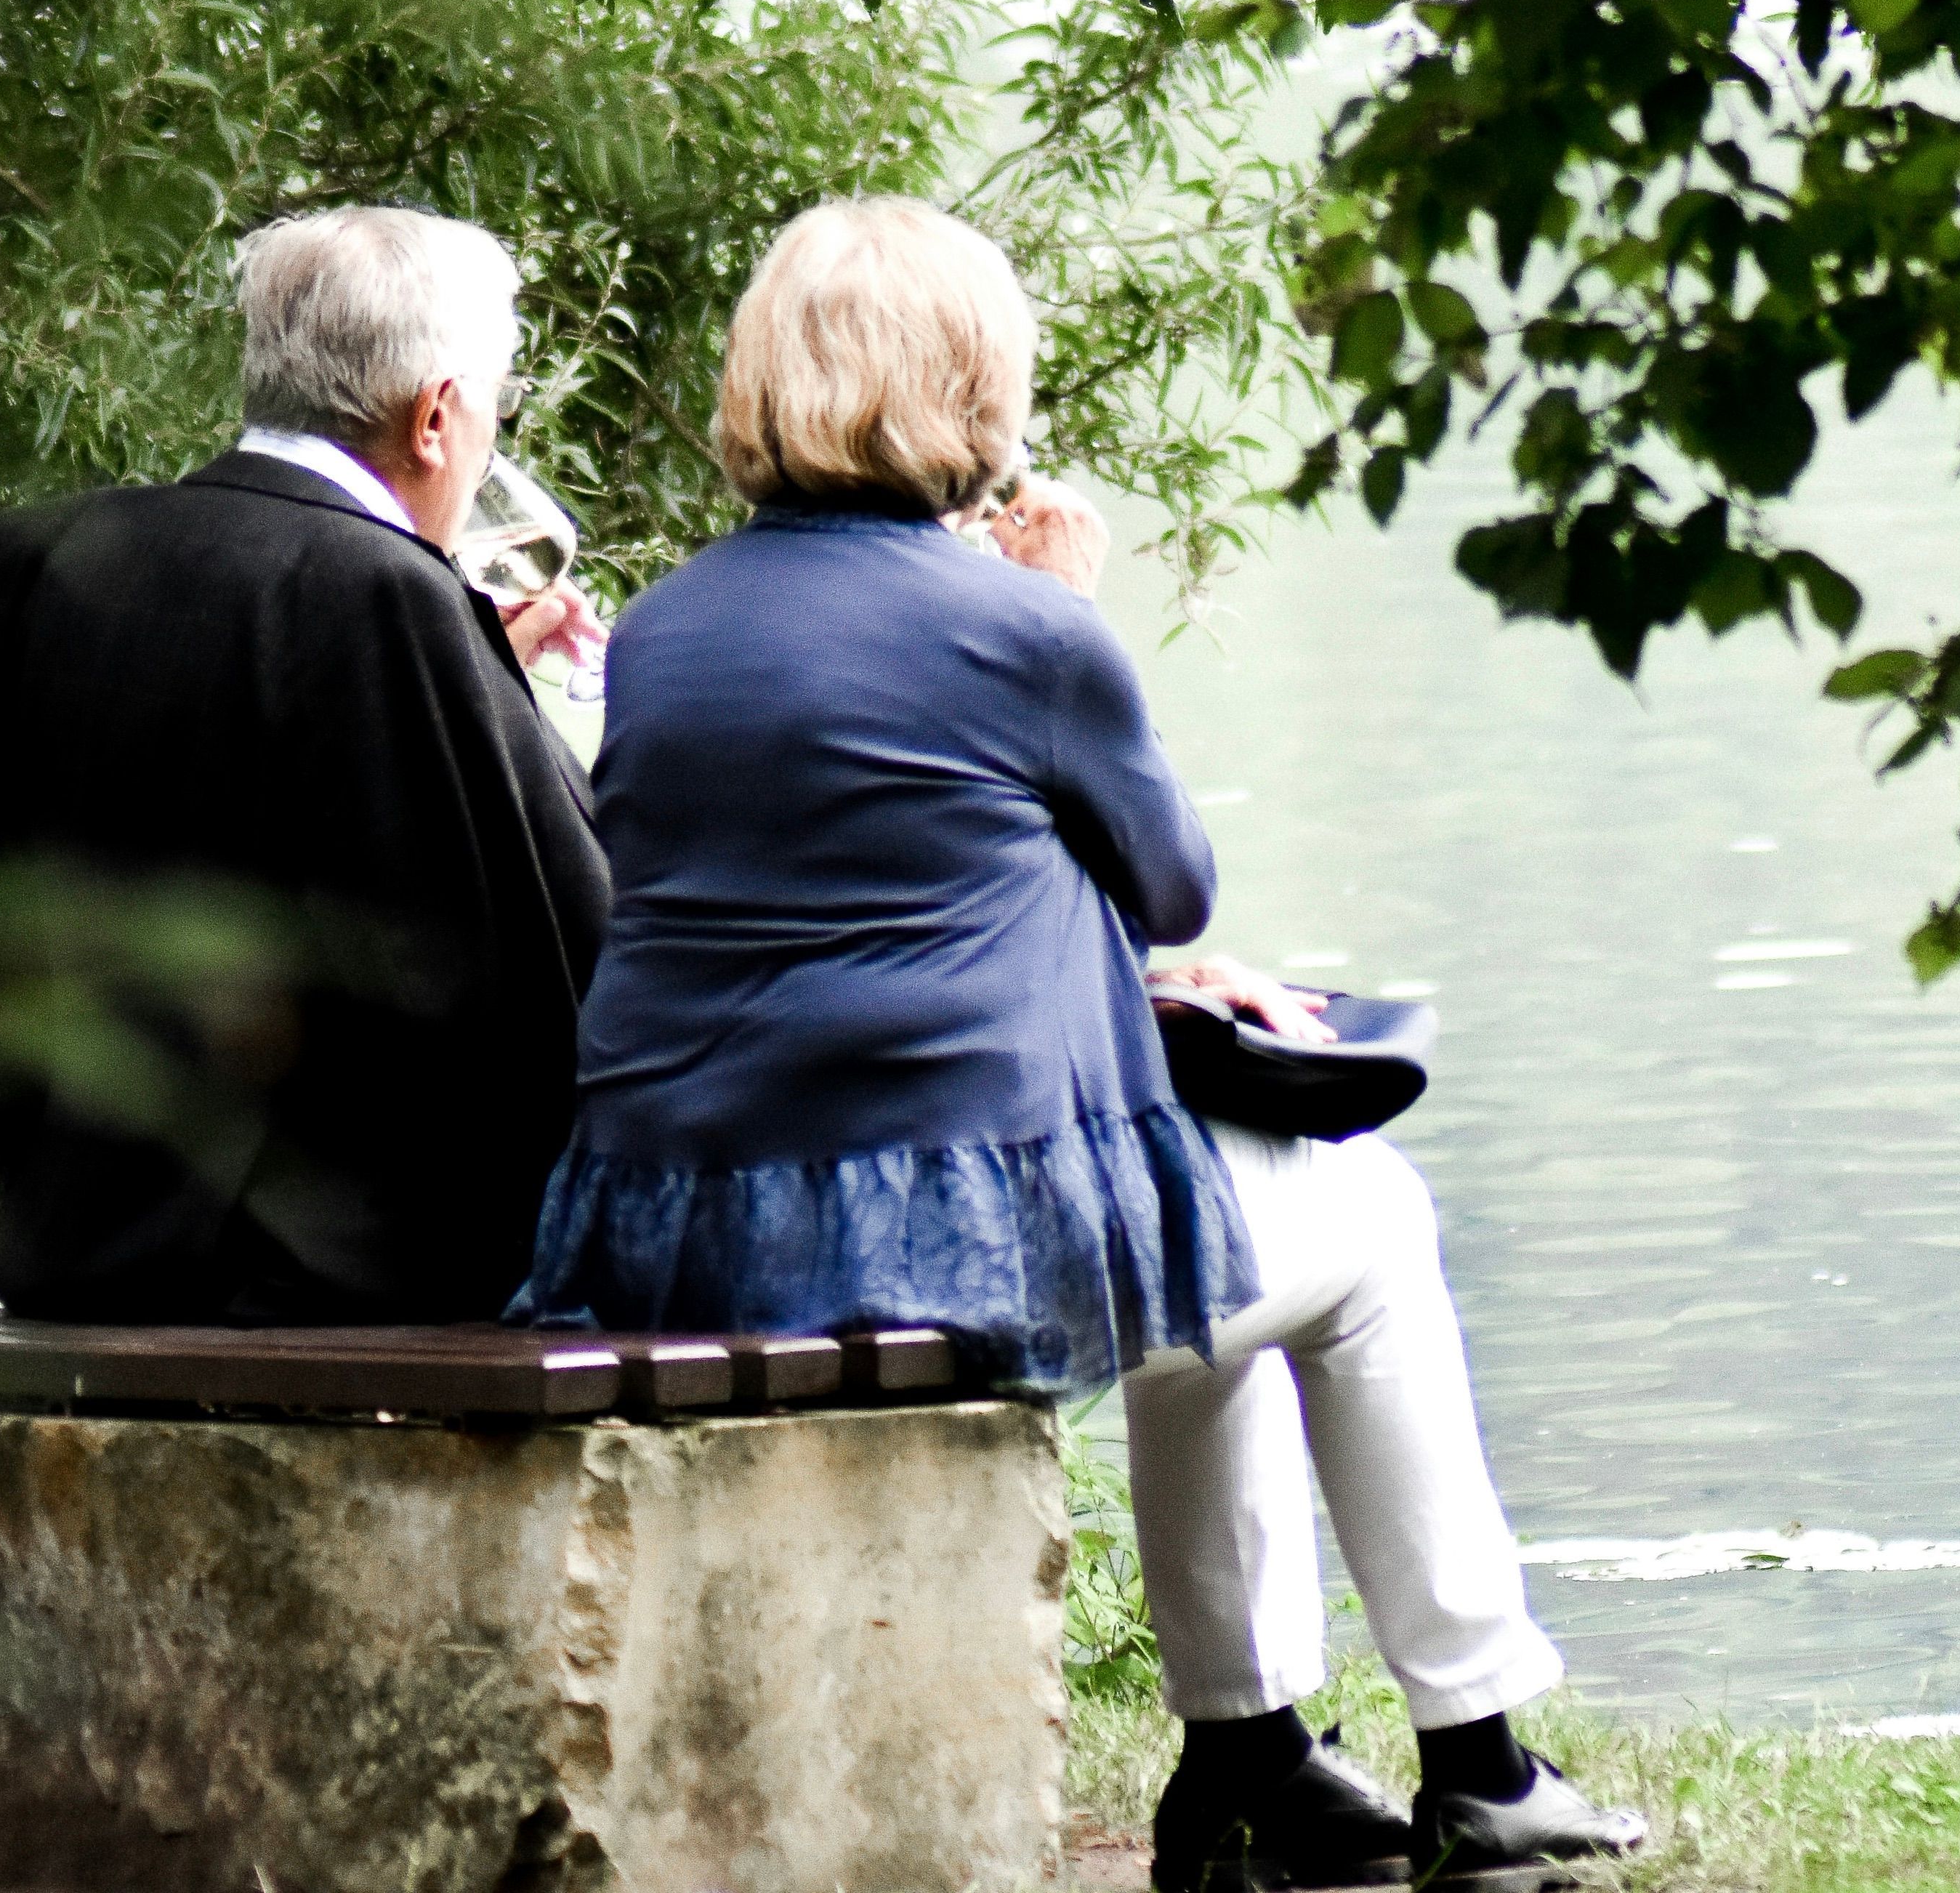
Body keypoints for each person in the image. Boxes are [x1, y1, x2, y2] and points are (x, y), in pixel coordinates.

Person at [512, 198, 1643, 1893]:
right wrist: (1063, 609)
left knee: (1226, 1251)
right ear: (971, 382)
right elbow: (1173, 880)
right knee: (1370, 1222)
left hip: (686, 1226)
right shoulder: (1019, 632)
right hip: (933, 1244)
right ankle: (1480, 1755)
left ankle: (1252, 1754)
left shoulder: (665, 629)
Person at [0, 205, 607, 1325]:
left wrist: (480, 672)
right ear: (437, 417)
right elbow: (553, 962)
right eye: (493, 408)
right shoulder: (386, 594)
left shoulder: (36, 557)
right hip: (323, 1287)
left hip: (69, 1252)